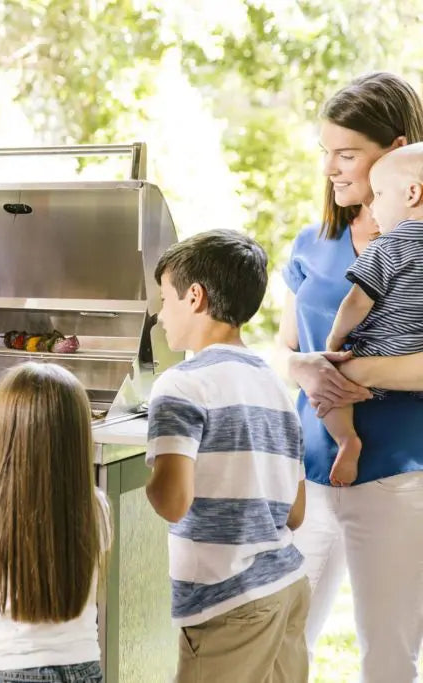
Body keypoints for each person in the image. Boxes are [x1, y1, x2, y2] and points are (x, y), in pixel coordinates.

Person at [278, 72, 423, 682]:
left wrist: (345, 369)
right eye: (325, 153)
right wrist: (306, 368)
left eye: (347, 154)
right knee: (282, 645)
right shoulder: (315, 242)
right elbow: (286, 348)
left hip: (396, 476)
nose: (332, 170)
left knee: (386, 659)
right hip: (307, 478)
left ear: (394, 152)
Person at [145, 230, 309, 683]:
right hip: (286, 588)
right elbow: (295, 513)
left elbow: (172, 501)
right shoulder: (274, 384)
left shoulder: (181, 384)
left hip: (227, 599)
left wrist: (154, 472)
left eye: (164, 300)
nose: (160, 317)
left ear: (193, 297)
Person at [0, 362, 111, 683]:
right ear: (77, 438)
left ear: (6, 436)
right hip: (84, 668)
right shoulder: (97, 508)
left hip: (10, 668)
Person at [323, 143, 423, 487]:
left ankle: (346, 441)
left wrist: (335, 339)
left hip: (378, 351)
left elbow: (356, 301)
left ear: (413, 193)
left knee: (330, 378)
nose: (373, 203)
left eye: (379, 193)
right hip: (415, 357)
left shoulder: (388, 245)